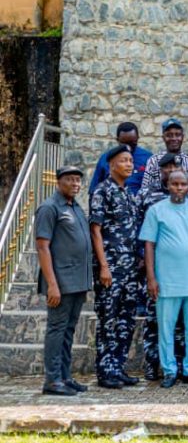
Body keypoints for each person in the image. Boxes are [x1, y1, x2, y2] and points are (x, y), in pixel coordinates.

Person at [140, 170, 188, 388]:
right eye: (175, 184)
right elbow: (149, 245)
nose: (179, 188)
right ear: (168, 185)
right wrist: (151, 278)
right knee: (166, 329)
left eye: (183, 184)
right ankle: (169, 370)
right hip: (167, 282)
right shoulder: (156, 210)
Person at [36, 165, 92, 396]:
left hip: (78, 279)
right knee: (57, 329)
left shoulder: (76, 207)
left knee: (68, 329)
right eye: (70, 179)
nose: (75, 184)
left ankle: (65, 377)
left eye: (78, 180)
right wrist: (52, 284)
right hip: (61, 280)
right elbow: (42, 246)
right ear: (59, 182)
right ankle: (52, 379)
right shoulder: (49, 208)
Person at [89, 145, 142, 389]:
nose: (129, 165)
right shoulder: (103, 191)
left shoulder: (129, 194)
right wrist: (103, 266)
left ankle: (118, 367)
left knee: (126, 319)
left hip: (130, 269)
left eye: (131, 160)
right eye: (123, 161)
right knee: (108, 320)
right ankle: (105, 370)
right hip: (110, 268)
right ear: (111, 165)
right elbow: (96, 231)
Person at [89, 122, 152, 196]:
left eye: (132, 143)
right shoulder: (106, 159)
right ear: (117, 140)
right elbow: (93, 191)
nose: (129, 148)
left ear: (137, 138)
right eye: (124, 144)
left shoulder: (149, 158)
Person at [140, 118, 188, 194]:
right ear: (163, 137)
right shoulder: (154, 160)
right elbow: (144, 189)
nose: (174, 138)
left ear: (182, 137)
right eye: (169, 135)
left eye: (177, 135)